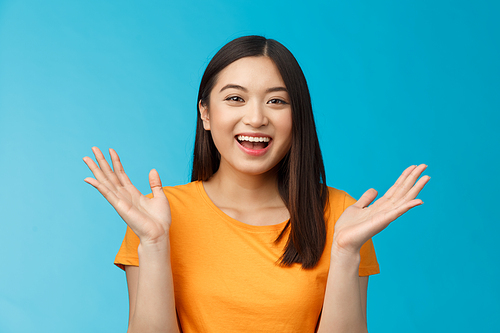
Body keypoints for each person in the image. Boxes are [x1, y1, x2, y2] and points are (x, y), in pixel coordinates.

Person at [83, 35, 430, 333]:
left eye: (277, 101)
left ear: (298, 117)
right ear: (205, 113)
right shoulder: (158, 217)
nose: (256, 118)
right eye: (235, 98)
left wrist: (345, 252)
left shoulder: (343, 216)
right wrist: (155, 243)